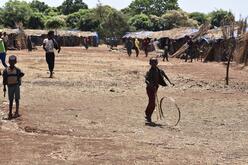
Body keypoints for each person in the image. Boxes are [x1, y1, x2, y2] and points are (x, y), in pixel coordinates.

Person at [145, 58, 174, 123]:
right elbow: (146, 80)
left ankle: (148, 115)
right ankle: (148, 115)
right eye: (152, 63)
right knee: (152, 102)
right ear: (150, 64)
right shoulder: (149, 72)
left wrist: (170, 82)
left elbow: (165, 76)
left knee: (152, 102)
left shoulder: (160, 70)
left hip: (155, 88)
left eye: (155, 62)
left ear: (157, 63)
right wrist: (150, 84)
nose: (154, 64)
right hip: (150, 89)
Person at [3, 55, 25, 120]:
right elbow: (4, 80)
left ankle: (15, 112)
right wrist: (4, 87)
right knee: (12, 100)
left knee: (16, 99)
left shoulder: (15, 70)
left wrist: (19, 81)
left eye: (13, 62)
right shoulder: (7, 71)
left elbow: (21, 75)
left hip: (14, 86)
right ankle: (11, 113)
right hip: (12, 86)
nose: (12, 63)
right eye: (11, 62)